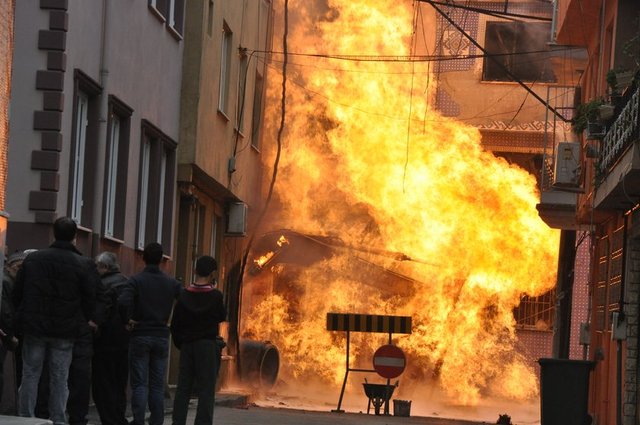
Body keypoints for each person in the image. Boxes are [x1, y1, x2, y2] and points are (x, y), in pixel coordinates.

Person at [12, 217, 97, 425]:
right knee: (60, 376)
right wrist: (82, 320)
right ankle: (58, 418)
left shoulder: (33, 260)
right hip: (65, 330)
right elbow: (90, 298)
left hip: (35, 327)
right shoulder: (82, 264)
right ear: (75, 237)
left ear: (53, 233)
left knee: (30, 373)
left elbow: (17, 293)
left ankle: (26, 417)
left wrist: (23, 317)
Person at [118, 242, 182, 425]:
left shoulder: (135, 280)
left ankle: (138, 420)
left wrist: (127, 320)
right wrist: (174, 324)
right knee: (156, 384)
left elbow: (123, 302)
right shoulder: (171, 283)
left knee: (139, 383)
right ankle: (157, 421)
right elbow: (184, 301)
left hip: (140, 334)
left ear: (143, 258)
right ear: (162, 260)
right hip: (161, 336)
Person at [171, 255, 227, 425]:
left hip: (187, 345)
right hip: (207, 346)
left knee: (183, 388)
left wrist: (181, 343)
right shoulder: (216, 296)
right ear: (212, 274)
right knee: (206, 389)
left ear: (195, 271)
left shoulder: (184, 295)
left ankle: (178, 421)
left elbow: (175, 324)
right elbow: (221, 316)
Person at [92, 252, 129, 425]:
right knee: (119, 382)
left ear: (104, 267)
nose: (96, 269)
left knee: (103, 383)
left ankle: (109, 419)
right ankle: (119, 417)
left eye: (97, 266)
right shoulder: (127, 282)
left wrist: (94, 325)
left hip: (105, 342)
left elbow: (102, 312)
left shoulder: (102, 285)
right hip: (124, 341)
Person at [0, 250, 34, 413]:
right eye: (18, 267)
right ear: (9, 266)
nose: (20, 271)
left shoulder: (8, 282)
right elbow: (6, 312)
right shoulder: (6, 282)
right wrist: (10, 336)